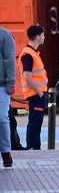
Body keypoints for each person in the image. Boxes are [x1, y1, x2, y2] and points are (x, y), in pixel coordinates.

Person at [17, 25, 48, 150]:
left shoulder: (33, 53)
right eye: (43, 35)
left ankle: (33, 147)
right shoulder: (28, 54)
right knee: (35, 123)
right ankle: (34, 148)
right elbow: (28, 76)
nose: (44, 37)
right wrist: (39, 92)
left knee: (36, 122)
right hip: (35, 94)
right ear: (37, 37)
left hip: (37, 93)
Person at [0, 23, 16, 168]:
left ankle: (5, 152)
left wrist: (11, 82)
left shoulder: (5, 35)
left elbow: (10, 59)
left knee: (2, 118)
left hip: (2, 85)